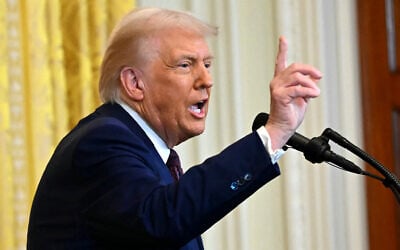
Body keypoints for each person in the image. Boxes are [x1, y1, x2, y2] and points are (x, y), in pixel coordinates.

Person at [27, 7, 322, 250]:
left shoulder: (150, 154)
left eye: (207, 64)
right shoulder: (103, 140)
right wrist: (275, 131)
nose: (206, 80)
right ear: (134, 83)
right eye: (185, 65)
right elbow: (163, 220)